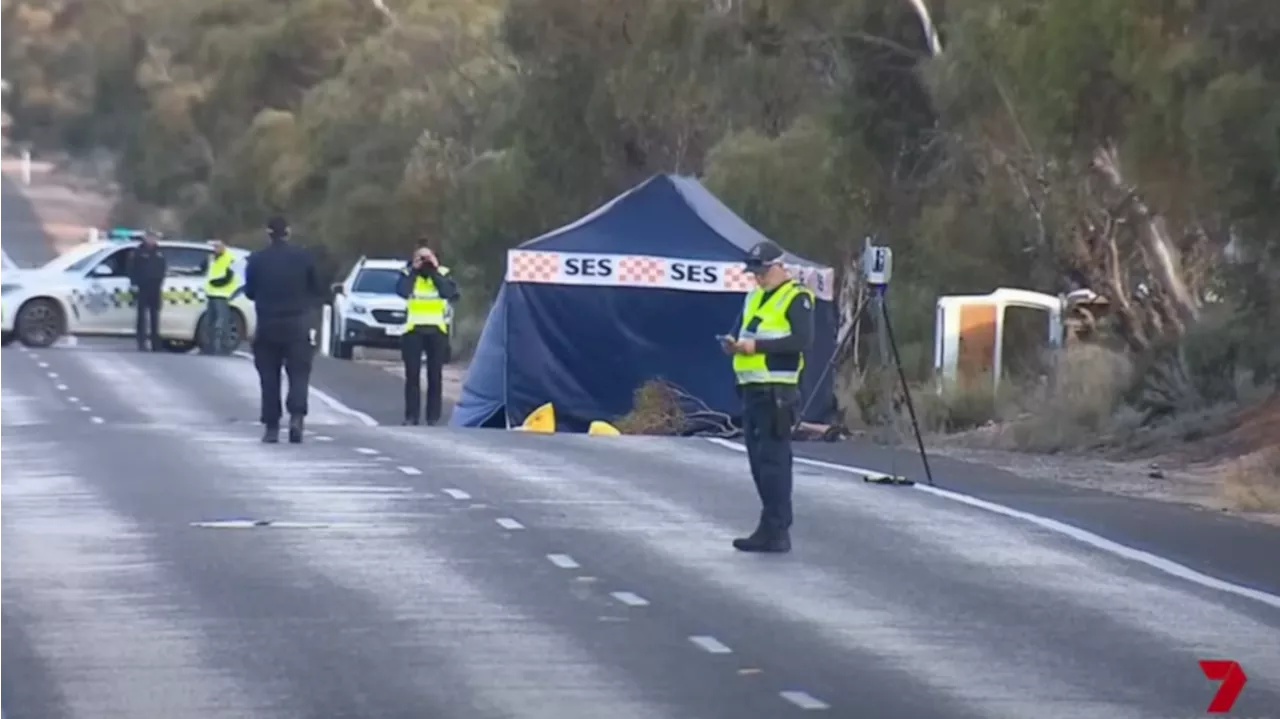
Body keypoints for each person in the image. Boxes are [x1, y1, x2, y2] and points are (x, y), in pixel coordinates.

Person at [722, 240, 815, 553]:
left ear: (779, 267)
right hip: (752, 389)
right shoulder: (754, 296)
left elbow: (802, 340)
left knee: (774, 462)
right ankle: (769, 524)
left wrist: (756, 348)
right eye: (754, 273)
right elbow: (743, 330)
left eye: (762, 272)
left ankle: (777, 529)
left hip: (777, 390)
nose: (757, 278)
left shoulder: (797, 297)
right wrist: (733, 344)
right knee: (758, 463)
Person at [243, 216, 321, 444]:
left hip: (268, 323)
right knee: (298, 374)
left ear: (268, 233)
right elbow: (316, 288)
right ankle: (296, 417)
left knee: (269, 377)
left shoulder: (257, 260)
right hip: (297, 323)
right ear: (288, 232)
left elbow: (249, 292)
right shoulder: (304, 257)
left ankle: (271, 426)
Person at [395, 243, 460, 426]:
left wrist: (435, 270)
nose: (424, 262)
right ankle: (411, 416)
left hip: (436, 330)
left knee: (435, 375)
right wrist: (415, 271)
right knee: (412, 375)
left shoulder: (443, 273)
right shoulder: (407, 273)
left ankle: (433, 417)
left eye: (427, 258)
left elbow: (450, 293)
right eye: (420, 258)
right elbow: (402, 291)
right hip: (413, 329)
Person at [127, 230, 167, 351]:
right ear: (145, 238)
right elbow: (131, 268)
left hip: (155, 287)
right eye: (150, 237)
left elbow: (163, 268)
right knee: (142, 317)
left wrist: (161, 282)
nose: (152, 240)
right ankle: (142, 342)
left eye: (154, 238)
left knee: (155, 316)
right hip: (142, 287)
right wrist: (134, 283)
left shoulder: (160, 252)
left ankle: (155, 344)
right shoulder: (138, 252)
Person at [202, 239, 237, 355]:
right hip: (211, 294)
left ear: (223, 246)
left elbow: (229, 277)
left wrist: (216, 283)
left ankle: (223, 348)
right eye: (214, 247)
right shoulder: (212, 258)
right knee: (209, 322)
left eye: (218, 246)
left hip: (222, 295)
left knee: (221, 323)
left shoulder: (229, 258)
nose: (215, 249)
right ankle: (210, 347)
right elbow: (203, 268)